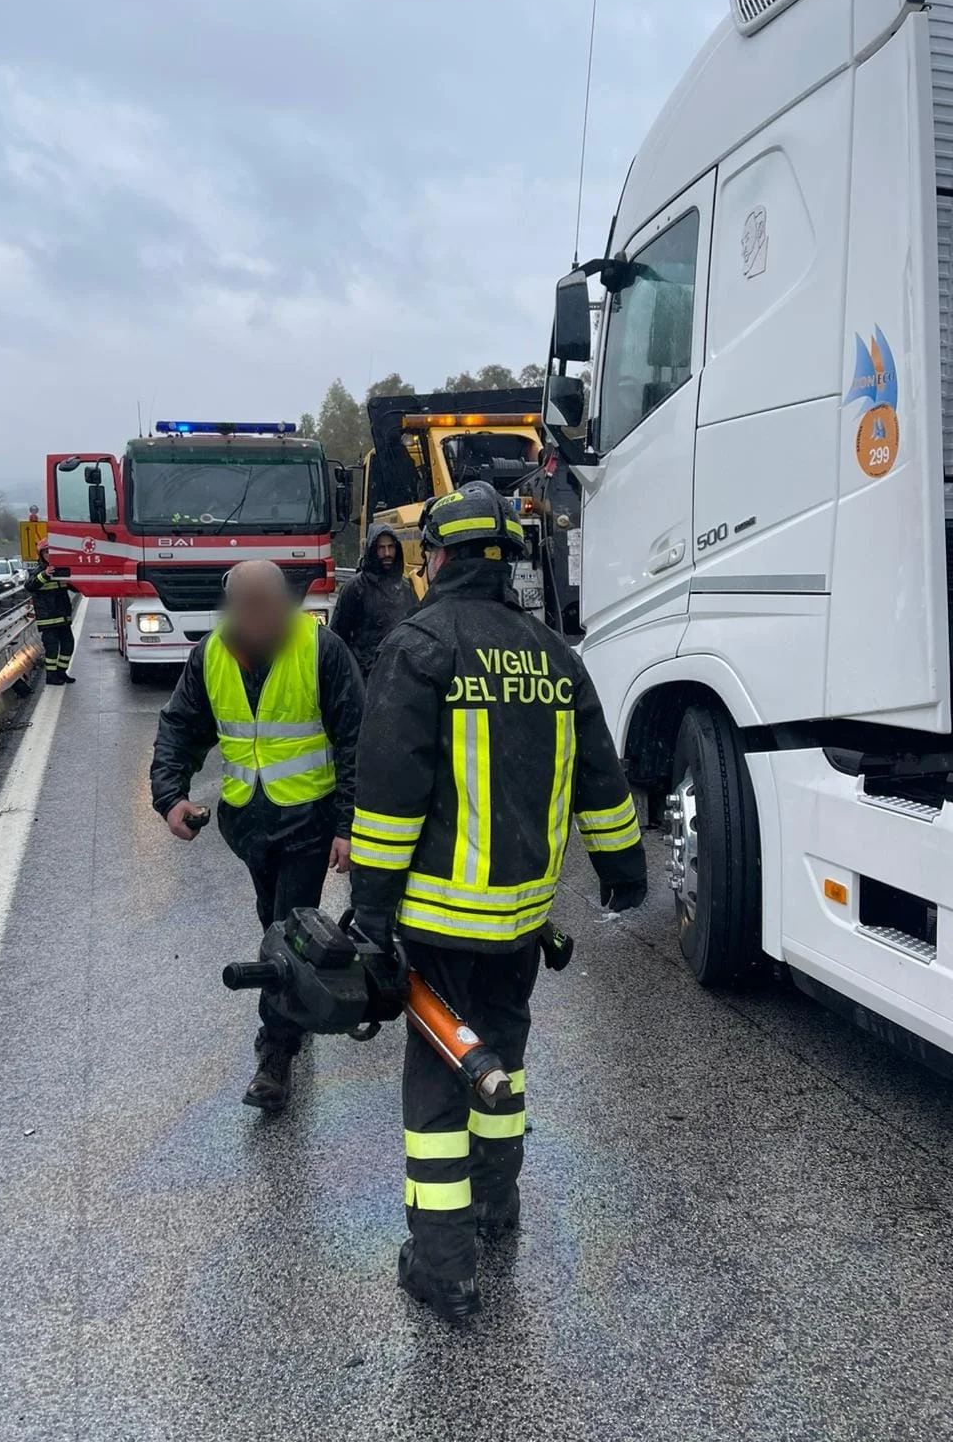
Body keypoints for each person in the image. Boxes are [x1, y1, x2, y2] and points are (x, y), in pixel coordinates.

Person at [350, 481, 646, 1323]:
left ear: (437, 556)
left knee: (441, 1089)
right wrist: (624, 871)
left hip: (438, 926)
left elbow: (388, 804)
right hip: (521, 923)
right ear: (508, 558)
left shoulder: (420, 646)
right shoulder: (554, 654)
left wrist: (371, 918)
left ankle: (444, 1268)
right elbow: (603, 781)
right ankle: (496, 1213)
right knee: (503, 1063)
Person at [150, 561, 364, 1111]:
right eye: (244, 605)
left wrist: (348, 825)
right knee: (272, 918)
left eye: (264, 603)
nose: (255, 616)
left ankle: (276, 1054)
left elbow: (355, 739)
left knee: (290, 931)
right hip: (247, 822)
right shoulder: (212, 656)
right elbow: (181, 726)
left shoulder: (323, 651)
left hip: (308, 821)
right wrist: (170, 795)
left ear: (284, 601)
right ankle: (299, 1001)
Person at [330, 522, 418, 681]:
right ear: (372, 550)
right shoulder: (355, 588)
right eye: (381, 548)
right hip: (364, 678)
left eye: (391, 547)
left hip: (398, 677)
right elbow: (338, 636)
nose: (387, 553)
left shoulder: (406, 588)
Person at [26, 539, 75, 685]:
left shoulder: (61, 569)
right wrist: (45, 575)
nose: (49, 555)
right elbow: (30, 585)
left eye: (52, 552)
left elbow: (73, 587)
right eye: (46, 552)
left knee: (68, 645)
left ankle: (61, 672)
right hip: (48, 619)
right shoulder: (38, 571)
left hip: (63, 616)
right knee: (52, 648)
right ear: (41, 554)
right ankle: (51, 676)